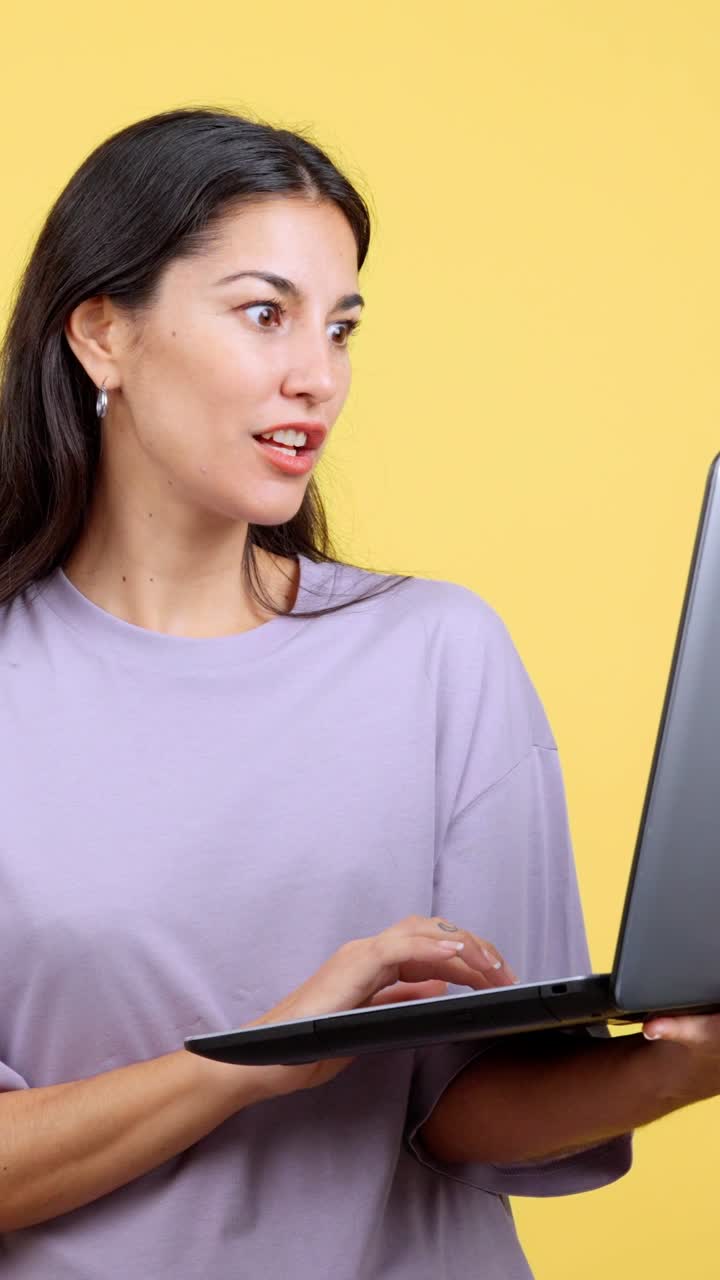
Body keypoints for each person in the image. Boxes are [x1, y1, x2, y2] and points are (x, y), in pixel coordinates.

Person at [0, 107, 717, 1280]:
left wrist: (688, 1060)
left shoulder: (439, 654)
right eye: (264, 313)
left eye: (340, 327)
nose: (316, 376)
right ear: (102, 335)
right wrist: (261, 1054)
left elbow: (468, 1111)